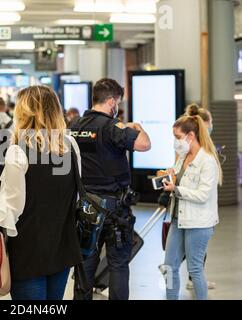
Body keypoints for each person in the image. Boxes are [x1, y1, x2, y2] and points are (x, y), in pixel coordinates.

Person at [0, 85, 82, 300]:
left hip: (29, 250)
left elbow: (11, 209)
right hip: (63, 244)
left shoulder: (18, 151)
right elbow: (76, 194)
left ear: (24, 113)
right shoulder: (70, 145)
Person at [69, 78, 151, 300]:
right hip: (115, 212)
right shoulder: (112, 127)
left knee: (84, 266)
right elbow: (144, 144)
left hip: (85, 209)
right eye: (118, 102)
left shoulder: (75, 125)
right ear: (112, 101)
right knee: (118, 266)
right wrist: (136, 127)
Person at [160, 115, 221, 300]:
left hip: (199, 222)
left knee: (195, 268)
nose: (175, 141)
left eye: (177, 136)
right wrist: (169, 174)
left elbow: (203, 195)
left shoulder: (208, 161)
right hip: (179, 219)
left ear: (190, 136)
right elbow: (178, 177)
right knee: (169, 266)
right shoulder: (183, 156)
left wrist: (176, 189)